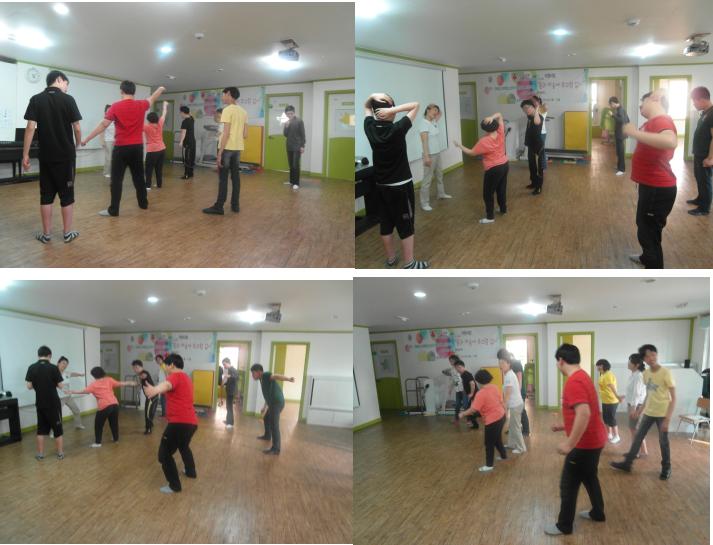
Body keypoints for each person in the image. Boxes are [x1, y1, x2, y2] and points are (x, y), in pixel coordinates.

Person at [545, 344, 607, 536]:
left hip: (584, 445)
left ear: (561, 361)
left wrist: (569, 443)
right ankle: (598, 513)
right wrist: (565, 426)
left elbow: (584, 413)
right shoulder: (583, 376)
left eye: (557, 362)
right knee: (589, 477)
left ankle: (564, 526)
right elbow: (586, 412)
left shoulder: (573, 382)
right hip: (595, 439)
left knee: (568, 485)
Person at [363, 93, 428, 269]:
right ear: (389, 111)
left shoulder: (370, 127)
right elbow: (416, 104)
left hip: (381, 186)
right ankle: (410, 264)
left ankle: (391, 259)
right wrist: (393, 109)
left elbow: (367, 106)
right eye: (392, 109)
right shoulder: (397, 129)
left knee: (386, 223)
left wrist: (373, 96)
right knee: (406, 225)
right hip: (401, 187)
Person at [82, 81, 166, 216]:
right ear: (134, 92)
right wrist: (160, 89)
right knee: (139, 178)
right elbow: (153, 98)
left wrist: (87, 139)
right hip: (137, 148)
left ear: (121, 91)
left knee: (116, 180)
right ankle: (143, 204)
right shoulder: (141, 104)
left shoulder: (115, 106)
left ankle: (114, 210)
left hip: (121, 148)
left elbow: (103, 125)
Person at [22, 70, 82, 244]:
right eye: (66, 84)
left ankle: (46, 235)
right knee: (67, 196)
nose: (66, 88)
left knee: (46, 196)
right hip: (66, 157)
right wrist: (77, 144)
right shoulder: (68, 99)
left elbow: (30, 127)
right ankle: (67, 233)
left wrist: (25, 154)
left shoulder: (36, 99)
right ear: (59, 79)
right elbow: (77, 128)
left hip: (46, 157)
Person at [625, 89, 678, 269]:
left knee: (649, 233)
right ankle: (647, 258)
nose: (640, 105)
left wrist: (634, 133)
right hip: (650, 187)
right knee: (644, 226)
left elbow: (670, 141)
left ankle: (654, 270)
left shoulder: (662, 120)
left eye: (644, 101)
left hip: (658, 189)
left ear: (655, 100)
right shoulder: (651, 123)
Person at [610, 344, 675, 480]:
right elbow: (648, 394)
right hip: (648, 413)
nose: (651, 358)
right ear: (644, 359)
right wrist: (640, 410)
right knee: (638, 437)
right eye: (647, 356)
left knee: (663, 441)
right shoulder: (646, 374)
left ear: (656, 355)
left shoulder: (665, 372)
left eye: (653, 354)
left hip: (662, 414)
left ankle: (666, 467)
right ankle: (627, 464)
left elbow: (673, 398)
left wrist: (667, 419)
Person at [142, 353, 198, 494]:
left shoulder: (175, 376)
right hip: (191, 423)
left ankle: (174, 486)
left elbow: (167, 384)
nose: (164, 367)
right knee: (183, 446)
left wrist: (154, 390)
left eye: (165, 365)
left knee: (164, 454)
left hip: (179, 423)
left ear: (171, 365)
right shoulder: (186, 377)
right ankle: (191, 471)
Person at [454, 112, 508, 224]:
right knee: (501, 189)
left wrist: (459, 145)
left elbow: (471, 153)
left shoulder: (484, 141)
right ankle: (503, 209)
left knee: (488, 193)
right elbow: (499, 115)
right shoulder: (500, 131)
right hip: (504, 164)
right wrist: (491, 117)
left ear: (485, 129)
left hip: (493, 169)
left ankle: (490, 217)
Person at [203, 87, 248, 215]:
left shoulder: (227, 110)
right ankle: (235, 205)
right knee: (235, 177)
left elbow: (226, 133)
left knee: (223, 178)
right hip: (238, 148)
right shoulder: (243, 111)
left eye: (223, 95)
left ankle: (219, 207)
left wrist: (219, 153)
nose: (222, 97)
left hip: (227, 148)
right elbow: (245, 134)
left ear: (229, 94)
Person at [67, 366, 134, 447]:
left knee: (98, 425)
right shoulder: (109, 379)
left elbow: (84, 391)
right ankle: (116, 439)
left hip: (104, 406)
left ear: (94, 375)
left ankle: (98, 443)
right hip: (114, 404)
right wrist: (130, 383)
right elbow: (120, 383)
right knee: (114, 423)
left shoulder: (94, 384)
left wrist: (72, 391)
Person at [458, 369, 506, 472]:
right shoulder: (494, 387)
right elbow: (501, 401)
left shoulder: (481, 393)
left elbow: (473, 409)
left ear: (478, 381)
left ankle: (489, 465)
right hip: (502, 416)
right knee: (497, 439)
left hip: (493, 420)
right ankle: (503, 456)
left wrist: (463, 413)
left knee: (489, 443)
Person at [25, 345, 65, 460]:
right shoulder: (53, 368)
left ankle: (40, 454)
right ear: (49, 355)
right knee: (57, 430)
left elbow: (29, 386)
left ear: (38, 355)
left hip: (40, 403)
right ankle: (60, 453)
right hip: (53, 404)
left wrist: (39, 384)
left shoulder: (32, 367)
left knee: (41, 430)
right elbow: (60, 385)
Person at [251, 363, 295, 455]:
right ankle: (267, 436)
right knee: (266, 418)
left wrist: (288, 379)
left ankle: (276, 449)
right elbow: (268, 395)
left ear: (259, 372)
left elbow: (276, 376)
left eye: (253, 373)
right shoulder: (261, 379)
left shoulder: (266, 375)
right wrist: (264, 407)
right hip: (272, 402)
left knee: (274, 425)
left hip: (277, 402)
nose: (252, 375)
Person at [419, 104, 450, 210]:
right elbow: (424, 142)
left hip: (437, 153)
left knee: (439, 175)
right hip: (430, 155)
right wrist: (426, 157)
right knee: (427, 179)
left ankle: (441, 194)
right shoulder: (424, 123)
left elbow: (440, 114)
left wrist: (436, 111)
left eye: (437, 110)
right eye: (434, 110)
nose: (436, 112)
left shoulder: (433, 122)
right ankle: (424, 203)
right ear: (428, 110)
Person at [688, 86, 713, 216]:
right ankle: (700, 199)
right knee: (699, 178)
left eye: (694, 101)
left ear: (702, 99)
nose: (694, 104)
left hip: (705, 155)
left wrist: (710, 158)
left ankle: (704, 207)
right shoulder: (705, 113)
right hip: (699, 153)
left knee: (705, 181)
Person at [498, 348, 530, 436]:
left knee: (521, 411)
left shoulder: (516, 363)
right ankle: (513, 429)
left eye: (501, 359)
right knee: (514, 413)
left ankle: (526, 430)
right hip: (514, 392)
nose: (500, 363)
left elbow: (519, 378)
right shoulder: (508, 365)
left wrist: (517, 393)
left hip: (519, 392)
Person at [499, 355, 526, 454]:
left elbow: (507, 394)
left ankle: (521, 448)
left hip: (515, 405)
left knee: (516, 427)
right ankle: (511, 444)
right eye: (500, 363)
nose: (501, 365)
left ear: (509, 364)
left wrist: (504, 408)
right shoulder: (508, 374)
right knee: (511, 425)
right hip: (515, 404)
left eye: (503, 363)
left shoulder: (509, 376)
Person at [623, 353, 648, 457]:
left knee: (635, 430)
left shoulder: (638, 376)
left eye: (630, 362)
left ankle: (636, 452)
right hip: (633, 405)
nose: (628, 363)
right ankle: (642, 451)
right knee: (634, 430)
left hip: (636, 406)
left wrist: (633, 409)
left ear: (636, 365)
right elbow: (632, 392)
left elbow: (636, 394)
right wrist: (624, 396)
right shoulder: (634, 374)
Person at [595, 359, 623, 444]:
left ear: (602, 365)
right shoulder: (602, 374)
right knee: (606, 419)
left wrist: (617, 396)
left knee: (611, 419)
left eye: (598, 365)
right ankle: (609, 434)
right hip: (605, 400)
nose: (597, 367)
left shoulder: (608, 374)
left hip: (612, 401)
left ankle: (617, 436)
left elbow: (611, 386)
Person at [143, 101, 168, 190]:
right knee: (159, 168)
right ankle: (159, 184)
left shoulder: (146, 126)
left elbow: (136, 124)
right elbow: (164, 114)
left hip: (152, 150)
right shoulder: (160, 123)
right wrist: (165, 105)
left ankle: (148, 186)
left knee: (148, 169)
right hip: (162, 149)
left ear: (149, 119)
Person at [56, 356, 85, 430]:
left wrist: (80, 374)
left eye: (66, 364)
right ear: (58, 363)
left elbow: (73, 374)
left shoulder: (67, 373)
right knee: (56, 415)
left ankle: (78, 425)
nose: (65, 365)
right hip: (59, 398)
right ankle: (54, 431)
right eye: (63, 363)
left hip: (68, 397)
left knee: (76, 410)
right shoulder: (54, 373)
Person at [521, 99, 543, 195]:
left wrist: (537, 108)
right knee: (532, 166)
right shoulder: (529, 116)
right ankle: (533, 183)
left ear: (533, 107)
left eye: (527, 108)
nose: (525, 110)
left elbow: (537, 122)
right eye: (523, 109)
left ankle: (539, 187)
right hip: (531, 145)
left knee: (538, 168)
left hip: (537, 147)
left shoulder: (539, 117)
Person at [131, 360, 158, 434]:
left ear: (141, 367)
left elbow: (144, 375)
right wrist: (138, 383)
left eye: (136, 367)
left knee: (148, 413)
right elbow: (142, 382)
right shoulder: (142, 374)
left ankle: (148, 429)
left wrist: (137, 379)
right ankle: (150, 425)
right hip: (151, 396)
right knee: (150, 413)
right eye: (134, 368)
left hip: (152, 397)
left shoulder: (144, 373)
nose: (135, 369)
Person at [283, 105, 306, 190]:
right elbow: (285, 135)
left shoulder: (299, 121)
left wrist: (302, 146)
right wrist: (286, 126)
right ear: (286, 114)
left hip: (297, 146)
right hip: (289, 146)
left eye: (291, 113)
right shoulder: (287, 122)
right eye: (288, 114)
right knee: (291, 165)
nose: (289, 115)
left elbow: (303, 134)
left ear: (294, 113)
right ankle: (291, 181)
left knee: (295, 165)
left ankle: (296, 183)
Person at [453, 360, 478, 429]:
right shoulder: (463, 374)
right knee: (470, 409)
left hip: (474, 395)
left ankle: (473, 424)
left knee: (471, 409)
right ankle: (474, 424)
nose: (458, 369)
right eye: (456, 368)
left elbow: (472, 384)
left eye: (459, 367)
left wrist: (471, 393)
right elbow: (466, 384)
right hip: (473, 395)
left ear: (463, 367)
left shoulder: (466, 374)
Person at [608, 97, 630, 175]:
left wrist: (612, 115)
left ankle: (622, 169)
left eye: (611, 104)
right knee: (618, 151)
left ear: (613, 103)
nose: (611, 106)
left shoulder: (620, 109)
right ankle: (619, 167)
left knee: (620, 152)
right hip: (619, 133)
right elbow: (627, 120)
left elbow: (621, 120)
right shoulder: (619, 109)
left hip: (621, 134)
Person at [178, 106, 196, 179]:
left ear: (183, 112)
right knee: (191, 158)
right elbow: (191, 115)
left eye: (180, 112)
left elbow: (183, 133)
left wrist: (181, 141)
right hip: (193, 142)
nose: (180, 114)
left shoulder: (185, 121)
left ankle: (186, 175)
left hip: (188, 142)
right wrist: (188, 112)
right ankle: (191, 173)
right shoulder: (192, 119)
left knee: (187, 159)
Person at [447, 354, 465, 421]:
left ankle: (469, 420)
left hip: (464, 390)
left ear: (456, 360)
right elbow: (453, 380)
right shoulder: (452, 370)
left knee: (466, 405)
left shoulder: (460, 367)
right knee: (457, 405)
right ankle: (456, 418)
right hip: (458, 390)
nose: (450, 362)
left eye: (452, 361)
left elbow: (463, 378)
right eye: (450, 361)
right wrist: (450, 389)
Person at [532, 95, 548, 170]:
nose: (534, 103)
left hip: (542, 133)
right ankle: (536, 165)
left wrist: (537, 107)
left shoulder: (543, 109)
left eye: (535, 101)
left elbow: (546, 106)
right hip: (535, 132)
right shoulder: (534, 110)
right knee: (535, 150)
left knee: (541, 150)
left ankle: (543, 167)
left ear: (539, 101)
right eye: (533, 102)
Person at [222, 357, 238, 429]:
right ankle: (228, 420)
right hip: (229, 390)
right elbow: (229, 381)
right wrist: (224, 384)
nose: (224, 366)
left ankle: (230, 423)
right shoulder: (229, 370)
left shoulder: (233, 369)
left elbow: (236, 377)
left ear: (228, 363)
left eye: (224, 364)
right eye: (223, 365)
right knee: (228, 407)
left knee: (229, 407)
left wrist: (229, 376)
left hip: (231, 391)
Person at [101, 104, 115, 178]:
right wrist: (102, 141)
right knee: (108, 158)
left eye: (111, 109)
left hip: (115, 141)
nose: (109, 111)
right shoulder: (104, 120)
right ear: (105, 111)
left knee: (114, 158)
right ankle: (106, 172)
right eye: (108, 110)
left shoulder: (115, 120)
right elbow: (101, 132)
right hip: (108, 140)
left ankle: (113, 172)